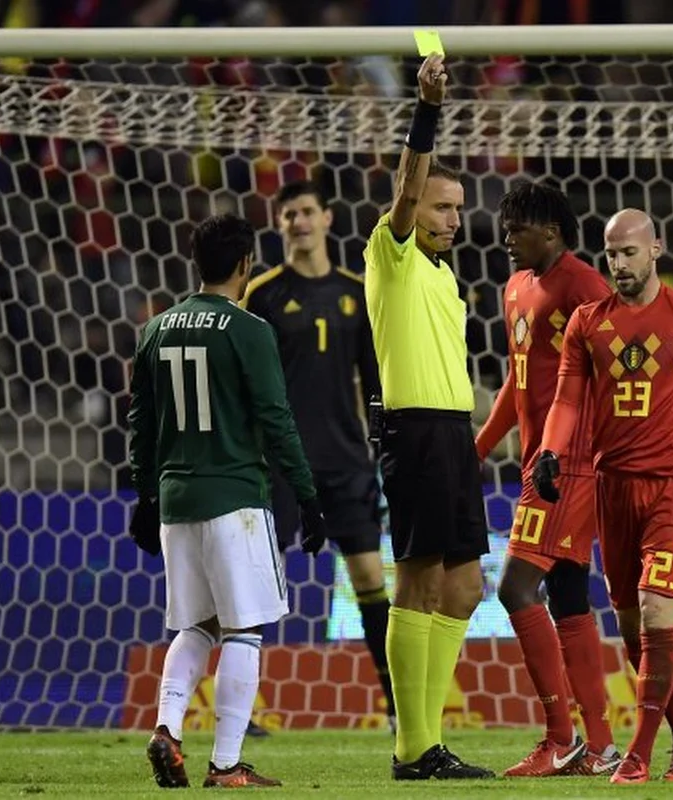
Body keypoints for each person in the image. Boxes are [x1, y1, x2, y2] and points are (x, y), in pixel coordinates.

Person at [534, 208, 673, 784]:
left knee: (659, 615)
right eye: (611, 253)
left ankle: (638, 753)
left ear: (656, 249)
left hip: (672, 488)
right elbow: (565, 401)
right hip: (612, 489)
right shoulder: (588, 322)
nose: (619, 263)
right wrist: (549, 452)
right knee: (638, 632)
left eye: (630, 252)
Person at [127, 213, 328, 789]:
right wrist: (309, 496)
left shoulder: (155, 330)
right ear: (245, 266)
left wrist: (145, 495)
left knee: (196, 626)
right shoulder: (249, 330)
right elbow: (275, 419)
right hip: (235, 498)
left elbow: (140, 424)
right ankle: (226, 765)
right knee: (244, 631)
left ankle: (167, 727)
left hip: (174, 499)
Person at [363, 52, 493, 781]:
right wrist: (429, 110)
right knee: (417, 582)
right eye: (442, 206)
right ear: (413, 211)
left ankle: (424, 738)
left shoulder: (444, 277)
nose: (453, 217)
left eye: (457, 207)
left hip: (453, 434)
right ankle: (414, 748)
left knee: (466, 586)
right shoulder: (394, 253)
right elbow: (408, 182)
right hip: (413, 430)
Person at [474, 180, 619, 777]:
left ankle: (560, 738)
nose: (507, 239)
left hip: (572, 466)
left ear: (552, 231)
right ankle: (603, 745)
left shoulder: (585, 287)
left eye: (518, 228)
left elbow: (615, 376)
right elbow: (519, 380)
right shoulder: (514, 288)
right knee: (566, 596)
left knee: (514, 590)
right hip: (541, 461)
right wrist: (480, 447)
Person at [241, 180, 395, 732]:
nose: (299, 222)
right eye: (288, 215)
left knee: (370, 578)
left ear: (328, 219)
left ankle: (398, 710)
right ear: (278, 225)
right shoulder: (260, 295)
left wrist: (380, 440)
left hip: (346, 461)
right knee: (258, 583)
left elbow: (374, 378)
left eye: (307, 212)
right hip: (280, 464)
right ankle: (243, 712)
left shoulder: (357, 292)